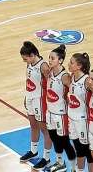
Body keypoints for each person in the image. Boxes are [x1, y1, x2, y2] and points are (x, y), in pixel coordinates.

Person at [19, 41, 52, 170]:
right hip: (30, 98)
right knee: (33, 125)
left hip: (40, 100)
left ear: (32, 55)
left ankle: (46, 158)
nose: (24, 61)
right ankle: (33, 151)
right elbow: (29, 81)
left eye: (25, 58)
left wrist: (50, 102)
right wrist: (26, 95)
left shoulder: (43, 66)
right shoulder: (30, 63)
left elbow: (51, 84)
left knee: (44, 129)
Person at [45, 44, 77, 172]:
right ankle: (60, 163)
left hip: (60, 114)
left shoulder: (65, 76)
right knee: (54, 138)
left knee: (64, 142)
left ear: (60, 60)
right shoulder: (50, 72)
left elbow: (74, 93)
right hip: (50, 112)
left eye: (52, 58)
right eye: (49, 58)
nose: (50, 60)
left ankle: (74, 168)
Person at [67, 52, 93, 172]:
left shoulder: (86, 80)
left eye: (71, 63)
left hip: (82, 119)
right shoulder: (72, 77)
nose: (69, 64)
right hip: (72, 118)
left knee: (85, 149)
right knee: (77, 146)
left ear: (79, 66)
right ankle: (79, 169)